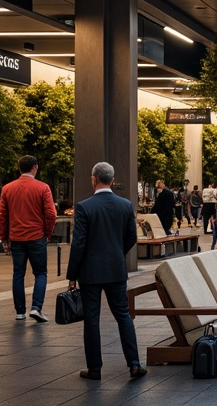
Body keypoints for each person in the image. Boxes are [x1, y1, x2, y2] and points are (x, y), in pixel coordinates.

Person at [66, 162, 145, 380]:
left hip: (90, 272)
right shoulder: (125, 205)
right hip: (116, 269)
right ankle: (135, 364)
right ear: (112, 180)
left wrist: (72, 275)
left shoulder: (84, 207)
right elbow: (131, 238)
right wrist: (117, 253)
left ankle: (94, 368)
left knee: (92, 318)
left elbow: (78, 243)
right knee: (123, 316)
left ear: (93, 179)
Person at [0, 155, 57, 322]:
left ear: (19, 168)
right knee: (40, 273)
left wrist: (4, 238)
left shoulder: (7, 189)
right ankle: (36, 308)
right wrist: (47, 233)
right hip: (36, 236)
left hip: (16, 237)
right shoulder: (43, 187)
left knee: (18, 273)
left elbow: (2, 215)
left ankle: (20, 311)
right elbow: (51, 214)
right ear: (35, 167)